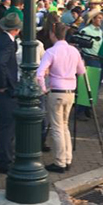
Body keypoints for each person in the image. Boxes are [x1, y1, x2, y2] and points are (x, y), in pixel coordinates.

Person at [37, 23, 86, 173]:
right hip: (70, 91)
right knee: (64, 126)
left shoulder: (51, 52)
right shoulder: (74, 51)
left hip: (56, 91)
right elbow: (81, 71)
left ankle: (60, 162)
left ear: (53, 34)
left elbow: (39, 73)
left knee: (57, 127)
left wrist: (44, 89)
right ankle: (67, 158)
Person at [0, 13, 21, 174]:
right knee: (7, 126)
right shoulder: (9, 43)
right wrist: (3, 84)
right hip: (5, 89)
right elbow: (1, 63)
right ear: (17, 29)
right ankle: (5, 160)